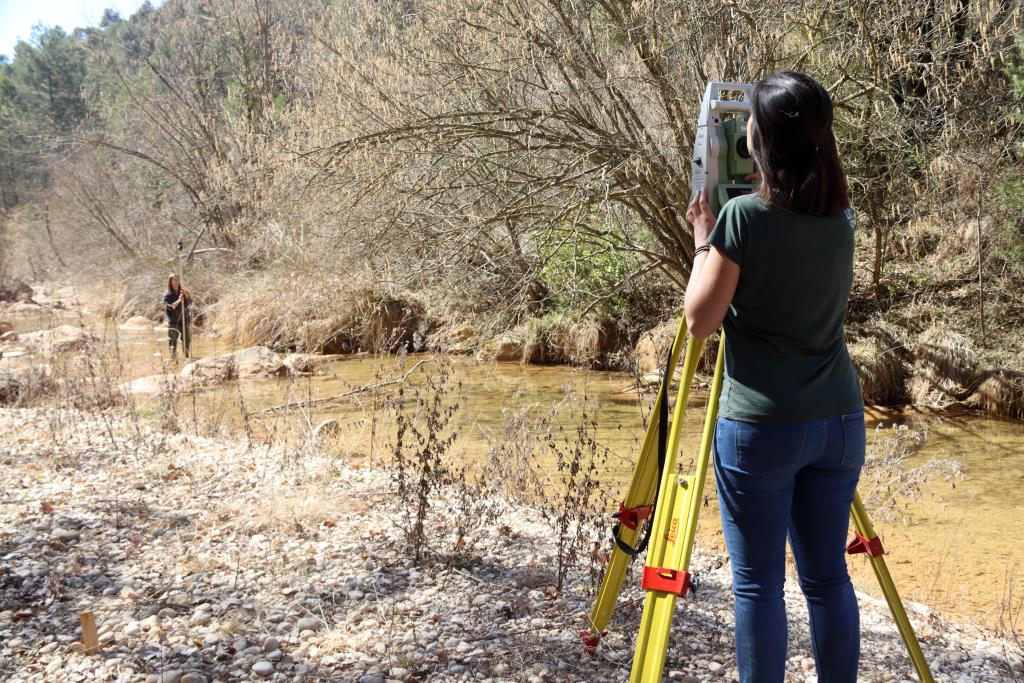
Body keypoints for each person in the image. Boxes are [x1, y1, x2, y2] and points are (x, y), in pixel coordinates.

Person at [683, 71, 864, 683]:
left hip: (762, 427)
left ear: (763, 141)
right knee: (827, 579)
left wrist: (704, 241)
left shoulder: (742, 220)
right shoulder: (843, 220)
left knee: (758, 586)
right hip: (839, 423)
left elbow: (700, 321)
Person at [163, 273, 192, 362]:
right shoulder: (167, 295)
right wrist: (179, 300)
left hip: (185, 320)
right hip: (173, 322)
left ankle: (187, 358)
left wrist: (186, 296)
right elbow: (171, 307)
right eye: (174, 280)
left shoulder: (183, 292)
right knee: (172, 342)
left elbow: (190, 303)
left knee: (186, 340)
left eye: (177, 280)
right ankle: (174, 361)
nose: (176, 282)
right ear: (170, 281)